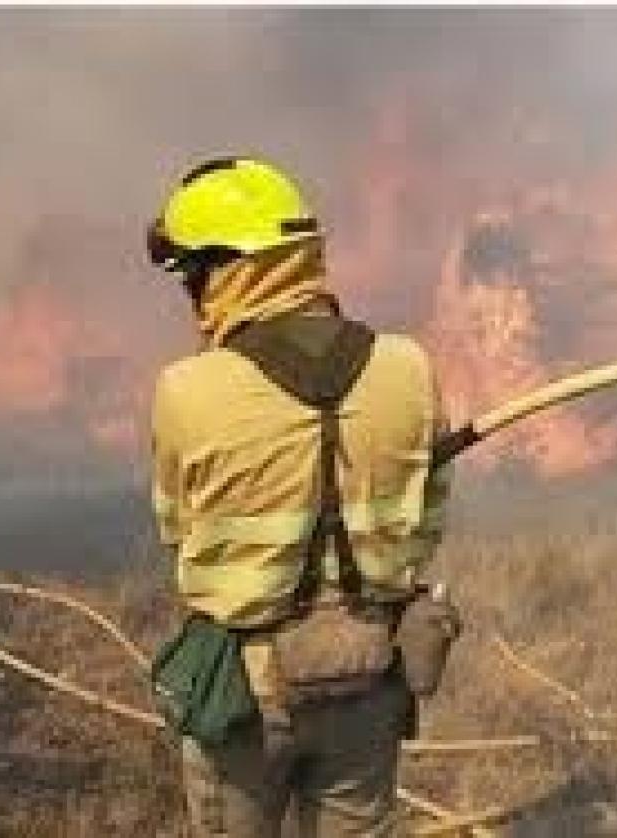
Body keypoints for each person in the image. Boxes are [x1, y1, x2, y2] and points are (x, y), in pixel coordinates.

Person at [146, 156, 455, 836]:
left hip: (244, 702)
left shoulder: (186, 389)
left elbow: (179, 530)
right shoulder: (409, 366)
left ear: (229, 270)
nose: (191, 295)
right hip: (370, 680)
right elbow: (428, 519)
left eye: (192, 275)